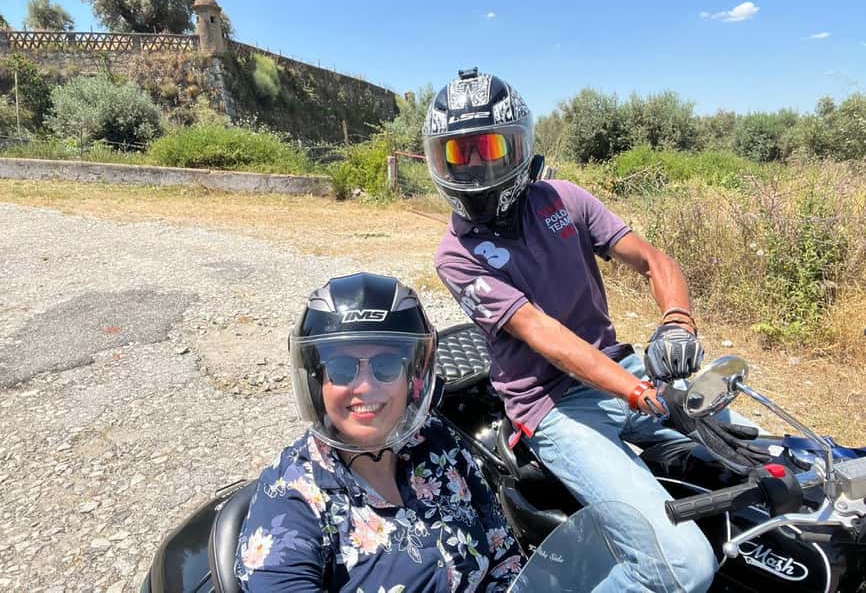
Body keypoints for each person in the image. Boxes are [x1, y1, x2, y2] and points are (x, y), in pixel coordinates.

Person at [424, 68, 769, 592]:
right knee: (683, 566)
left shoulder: (562, 199)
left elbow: (653, 260)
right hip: (553, 407)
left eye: (488, 147)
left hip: (619, 369)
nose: (475, 166)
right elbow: (545, 336)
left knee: (768, 454)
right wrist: (643, 394)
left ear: (517, 145)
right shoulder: (456, 255)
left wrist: (677, 322)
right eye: (458, 153)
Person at [234, 272, 524, 592]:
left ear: (411, 380)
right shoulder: (292, 496)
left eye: (386, 365)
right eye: (342, 369)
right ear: (318, 385)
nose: (365, 387)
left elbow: (505, 554)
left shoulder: (439, 443)